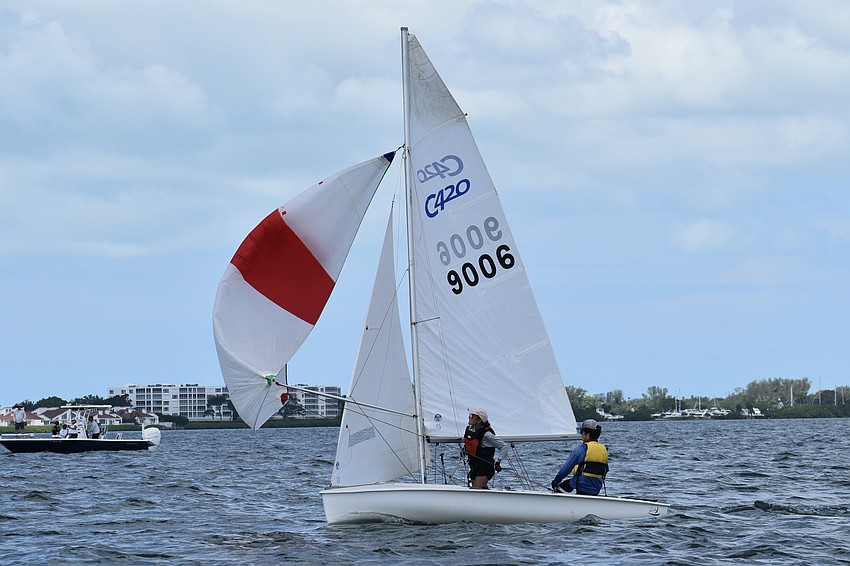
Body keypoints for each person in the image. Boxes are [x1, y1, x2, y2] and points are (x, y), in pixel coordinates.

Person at [551, 419, 609, 496]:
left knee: (559, 487)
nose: (581, 434)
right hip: (595, 489)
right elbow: (606, 470)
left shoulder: (580, 450)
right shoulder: (603, 450)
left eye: (582, 432)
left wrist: (555, 483)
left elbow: (564, 471)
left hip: (580, 487)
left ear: (587, 434)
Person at [463, 407, 508, 489]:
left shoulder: (487, 435)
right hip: (474, 466)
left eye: (472, 416)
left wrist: (498, 462)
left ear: (479, 420)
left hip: (484, 468)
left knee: (476, 490)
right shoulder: (471, 430)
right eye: (469, 415)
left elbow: (504, 446)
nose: (469, 417)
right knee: (480, 490)